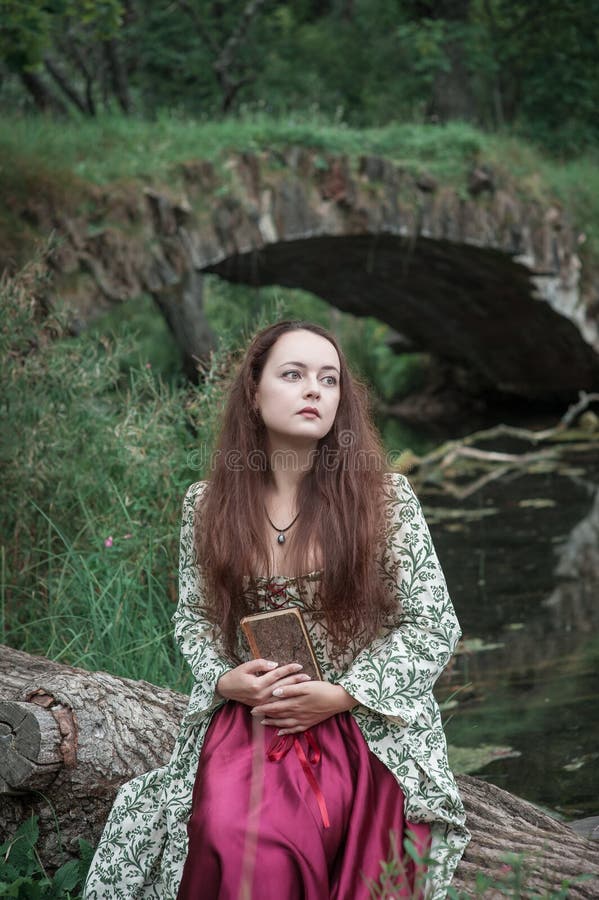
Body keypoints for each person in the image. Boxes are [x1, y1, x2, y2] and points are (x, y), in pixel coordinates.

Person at [84, 320, 469, 900]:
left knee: (294, 833)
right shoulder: (208, 503)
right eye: (293, 375)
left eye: (329, 379)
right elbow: (193, 617)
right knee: (224, 827)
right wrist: (225, 678)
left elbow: (434, 624)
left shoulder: (383, 499)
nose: (315, 390)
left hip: (364, 717)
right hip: (255, 711)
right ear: (253, 391)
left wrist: (341, 695)